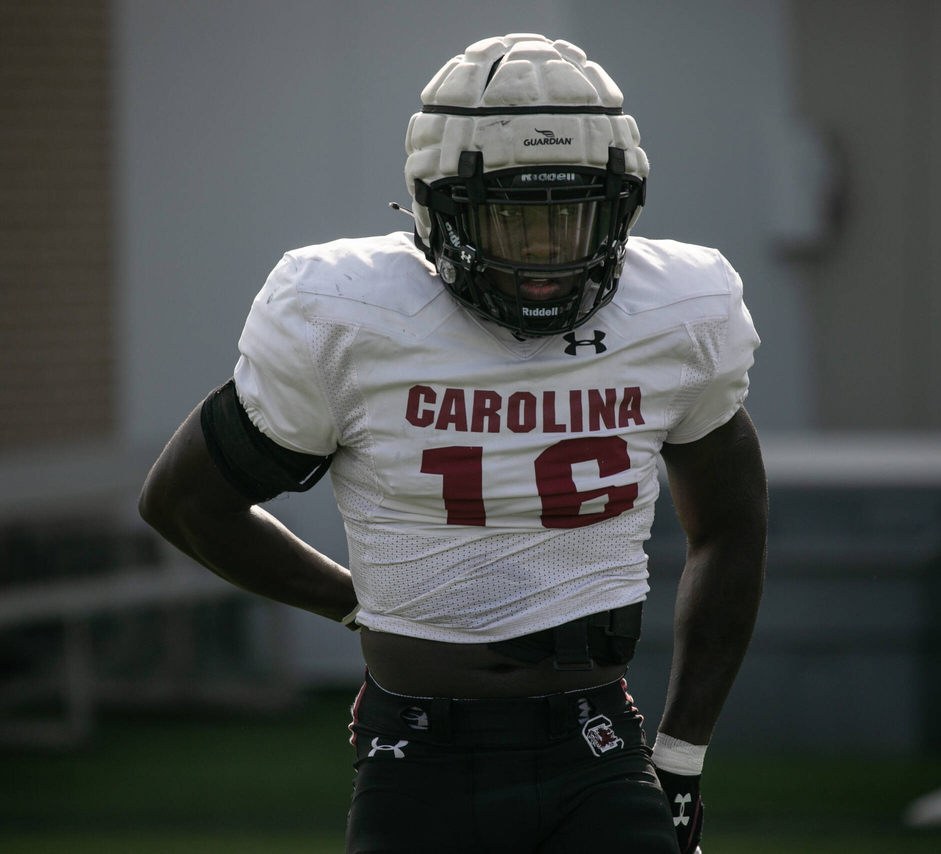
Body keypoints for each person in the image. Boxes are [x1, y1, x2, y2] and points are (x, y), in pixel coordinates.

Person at [139, 33, 766, 854]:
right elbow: (184, 502)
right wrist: (360, 606)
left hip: (595, 747)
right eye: (513, 218)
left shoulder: (678, 315)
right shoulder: (349, 318)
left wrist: (680, 758)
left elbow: (731, 527)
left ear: (621, 208)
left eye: (570, 216)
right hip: (420, 753)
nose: (546, 256)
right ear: (441, 209)